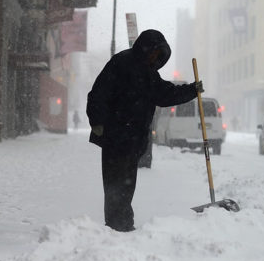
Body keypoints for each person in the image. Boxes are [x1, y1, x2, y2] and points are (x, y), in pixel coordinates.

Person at [86, 29, 202, 232]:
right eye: (155, 53)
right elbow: (98, 92)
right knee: (117, 185)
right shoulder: (123, 63)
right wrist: (98, 122)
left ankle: (119, 225)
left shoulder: (147, 72)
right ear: (146, 48)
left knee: (124, 186)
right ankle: (118, 226)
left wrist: (191, 90)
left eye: (159, 56)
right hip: (117, 136)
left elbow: (164, 94)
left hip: (131, 139)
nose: (155, 58)